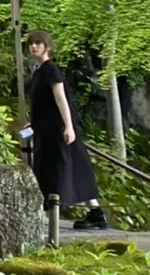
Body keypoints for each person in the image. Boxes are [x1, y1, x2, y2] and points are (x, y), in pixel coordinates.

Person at [26, 30, 108, 230]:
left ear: (47, 46)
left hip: (57, 129)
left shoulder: (51, 69)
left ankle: (51, 214)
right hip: (45, 129)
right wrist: (33, 123)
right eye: (31, 43)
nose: (34, 46)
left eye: (38, 43)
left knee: (61, 168)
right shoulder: (40, 71)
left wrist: (69, 126)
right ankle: (95, 212)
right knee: (63, 167)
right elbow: (43, 103)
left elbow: (60, 98)